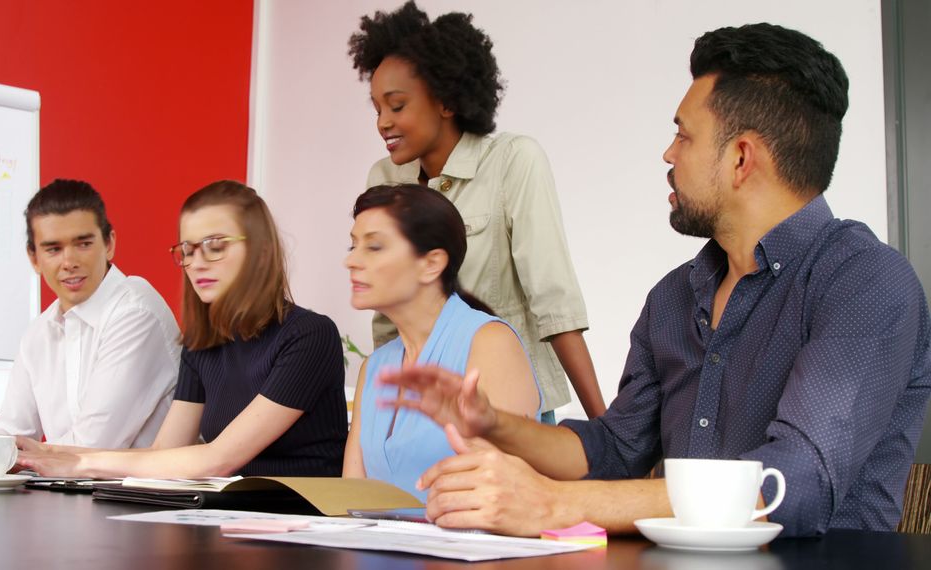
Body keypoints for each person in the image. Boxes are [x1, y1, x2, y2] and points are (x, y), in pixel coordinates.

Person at [378, 23, 931, 537]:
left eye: (683, 136)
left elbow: (793, 487)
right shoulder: (673, 297)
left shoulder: (866, 283)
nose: (668, 153)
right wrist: (493, 423)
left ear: (742, 158)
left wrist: (557, 503)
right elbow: (616, 449)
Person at [348, 1, 605, 421]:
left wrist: (605, 430)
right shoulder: (384, 178)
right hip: (420, 407)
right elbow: (387, 323)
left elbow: (554, 302)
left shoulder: (512, 162)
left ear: (446, 101)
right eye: (377, 108)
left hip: (503, 407)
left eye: (396, 106)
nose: (382, 122)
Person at [17, 180, 348, 478]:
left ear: (261, 251)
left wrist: (79, 464)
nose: (197, 262)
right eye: (187, 250)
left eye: (215, 246)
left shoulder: (309, 336)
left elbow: (218, 459)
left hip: (302, 522)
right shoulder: (201, 345)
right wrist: (47, 453)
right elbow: (164, 455)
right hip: (233, 519)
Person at [342, 184, 541, 500]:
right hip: (379, 546)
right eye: (352, 246)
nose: (351, 261)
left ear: (432, 263)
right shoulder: (375, 366)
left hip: (468, 547)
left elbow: (503, 494)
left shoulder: (490, 342)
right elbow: (350, 499)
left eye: (374, 247)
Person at [0, 179, 180, 449]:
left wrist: (20, 454)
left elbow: (93, 446)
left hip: (143, 491)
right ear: (34, 258)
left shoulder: (135, 311)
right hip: (75, 488)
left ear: (109, 243)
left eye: (83, 244)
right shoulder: (40, 331)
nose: (69, 262)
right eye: (53, 249)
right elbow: (12, 430)